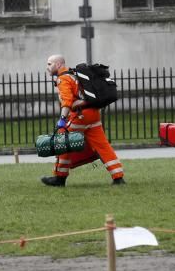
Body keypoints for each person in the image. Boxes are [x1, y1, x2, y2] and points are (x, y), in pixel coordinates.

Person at [40, 55, 125, 187]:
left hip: (80, 116)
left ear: (58, 65)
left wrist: (62, 119)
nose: (47, 67)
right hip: (94, 114)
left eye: (49, 64)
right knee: (102, 145)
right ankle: (118, 177)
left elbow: (67, 101)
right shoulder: (75, 74)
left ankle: (59, 178)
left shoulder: (63, 79)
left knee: (63, 143)